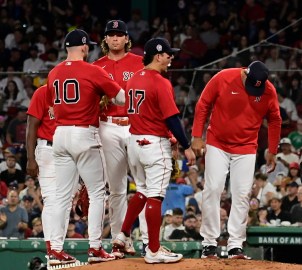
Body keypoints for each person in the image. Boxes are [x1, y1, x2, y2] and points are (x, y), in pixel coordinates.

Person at [112, 37, 196, 264]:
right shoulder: (160, 82)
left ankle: (122, 235)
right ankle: (153, 250)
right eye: (168, 54)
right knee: (156, 196)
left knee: (142, 191)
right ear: (158, 55)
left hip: (134, 142)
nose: (171, 57)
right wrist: (186, 146)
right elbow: (172, 119)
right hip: (153, 144)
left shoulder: (133, 78)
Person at [47, 29, 126, 264]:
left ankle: (55, 250)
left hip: (60, 134)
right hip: (84, 133)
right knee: (97, 193)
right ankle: (94, 248)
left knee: (61, 196)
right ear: (83, 47)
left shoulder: (53, 73)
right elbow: (121, 98)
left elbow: (53, 106)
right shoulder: (93, 70)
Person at [191, 60, 282, 259]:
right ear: (245, 74)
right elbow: (203, 104)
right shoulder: (224, 77)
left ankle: (235, 244)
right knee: (213, 189)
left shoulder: (268, 90)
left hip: (247, 146)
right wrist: (197, 136)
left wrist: (272, 151)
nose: (254, 91)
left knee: (242, 194)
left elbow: (275, 119)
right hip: (218, 142)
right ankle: (209, 243)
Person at [92, 20, 146, 259]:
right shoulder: (96, 66)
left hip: (135, 125)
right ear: (105, 40)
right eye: (110, 35)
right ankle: (119, 239)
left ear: (126, 39)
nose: (115, 38)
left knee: (144, 186)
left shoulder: (139, 62)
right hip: (108, 127)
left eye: (119, 35)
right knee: (116, 188)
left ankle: (147, 240)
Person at [25, 84, 57, 258]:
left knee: (65, 203)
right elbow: (31, 125)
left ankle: (57, 246)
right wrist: (30, 158)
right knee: (51, 200)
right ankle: (51, 248)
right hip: (48, 149)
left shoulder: (76, 93)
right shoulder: (43, 92)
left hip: (70, 151)